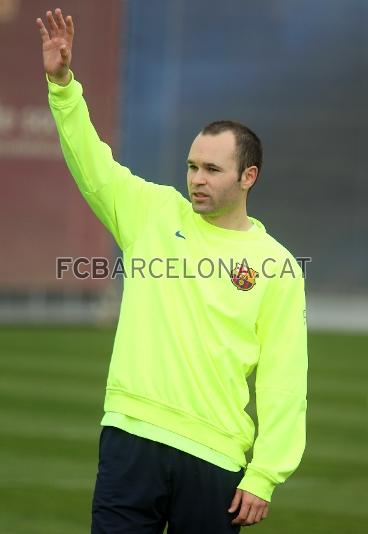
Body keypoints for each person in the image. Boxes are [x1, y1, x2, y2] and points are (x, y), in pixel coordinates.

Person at [36, 8, 308, 534]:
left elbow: (284, 378)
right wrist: (63, 85)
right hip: (130, 436)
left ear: (248, 176)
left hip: (215, 456)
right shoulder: (153, 213)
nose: (196, 179)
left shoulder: (278, 267)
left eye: (212, 169)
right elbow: (92, 162)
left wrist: (266, 473)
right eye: (191, 166)